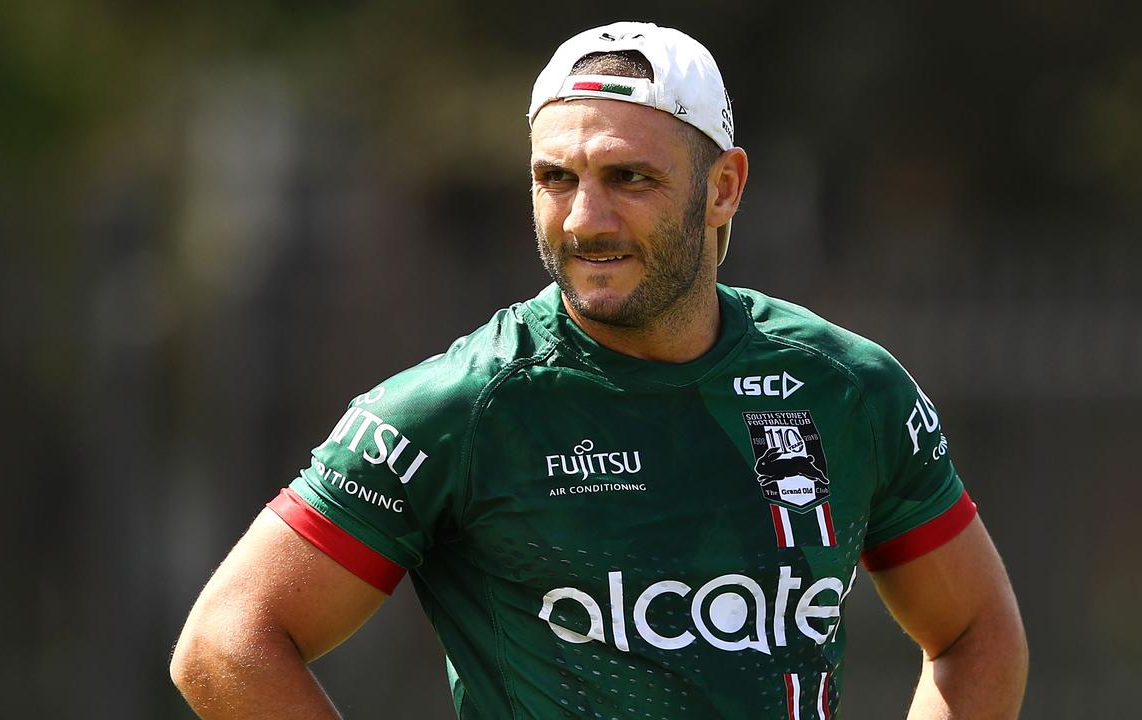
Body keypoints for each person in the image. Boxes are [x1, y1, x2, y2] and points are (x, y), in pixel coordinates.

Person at [170, 21, 1028, 719]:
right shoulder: (462, 407)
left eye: (629, 177)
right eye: (556, 178)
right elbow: (226, 643)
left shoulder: (847, 387)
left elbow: (976, 633)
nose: (585, 219)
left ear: (723, 187)